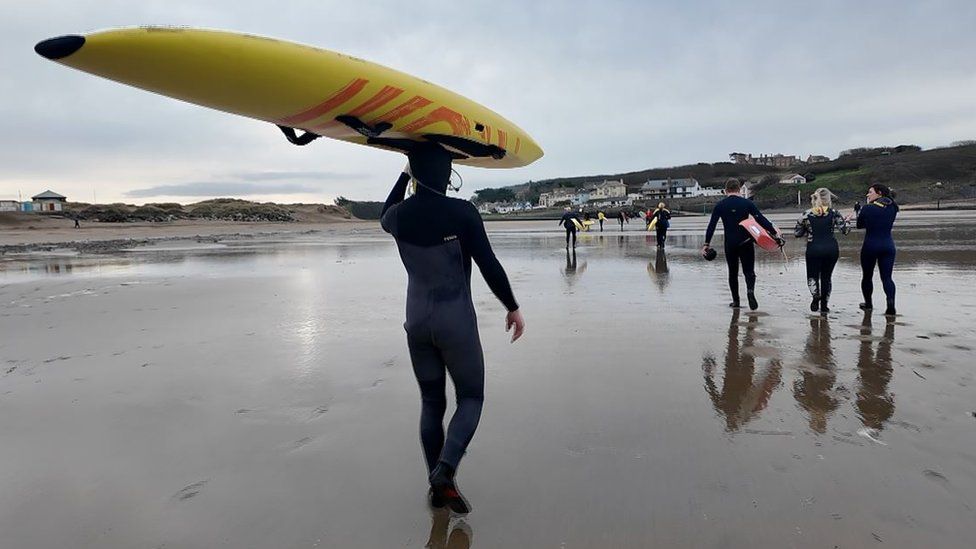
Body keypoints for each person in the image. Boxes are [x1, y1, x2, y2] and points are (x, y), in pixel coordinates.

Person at [380, 142, 525, 514]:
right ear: (448, 175)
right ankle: (444, 472)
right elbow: (489, 264)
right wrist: (512, 307)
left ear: (415, 174)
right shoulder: (462, 212)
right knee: (471, 398)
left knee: (431, 401)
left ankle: (437, 486)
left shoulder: (398, 217)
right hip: (454, 321)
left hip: (417, 324)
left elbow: (384, 212)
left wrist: (403, 174)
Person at [702, 178, 780, 310]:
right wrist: (774, 233)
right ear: (739, 189)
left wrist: (706, 244)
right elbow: (760, 219)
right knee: (749, 271)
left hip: (730, 244)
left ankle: (736, 301)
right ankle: (750, 291)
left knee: (733, 272)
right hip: (746, 242)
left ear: (726, 190)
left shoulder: (720, 205)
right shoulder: (747, 203)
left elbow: (712, 226)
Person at [794, 188, 850, 313]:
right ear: (828, 200)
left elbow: (797, 233)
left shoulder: (806, 214)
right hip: (831, 248)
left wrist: (806, 229)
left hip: (814, 248)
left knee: (812, 276)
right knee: (827, 277)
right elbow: (845, 230)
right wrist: (848, 221)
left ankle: (815, 296)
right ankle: (824, 306)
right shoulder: (834, 213)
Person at [856, 184, 898, 315]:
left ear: (879, 193)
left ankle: (868, 304)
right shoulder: (894, 207)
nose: (868, 195)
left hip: (871, 245)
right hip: (888, 245)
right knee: (887, 278)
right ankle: (891, 305)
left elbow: (859, 225)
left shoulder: (868, 208)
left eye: (870, 192)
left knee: (867, 276)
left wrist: (867, 207)